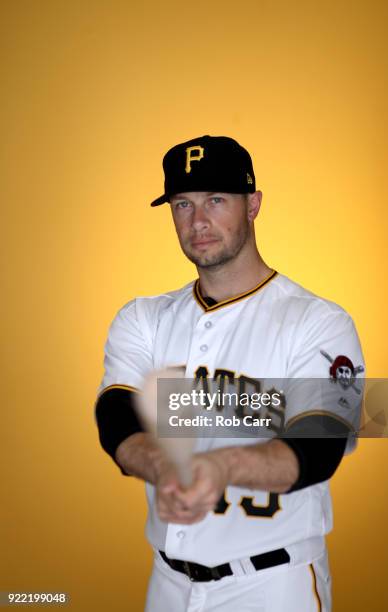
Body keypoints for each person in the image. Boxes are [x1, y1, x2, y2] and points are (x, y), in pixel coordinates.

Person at [95, 135, 365, 612]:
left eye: (216, 200)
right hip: (167, 584)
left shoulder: (319, 322)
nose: (198, 221)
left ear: (253, 204)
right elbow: (117, 416)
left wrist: (220, 468)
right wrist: (161, 466)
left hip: (272, 585)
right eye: (183, 203)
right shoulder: (142, 319)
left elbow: (320, 448)